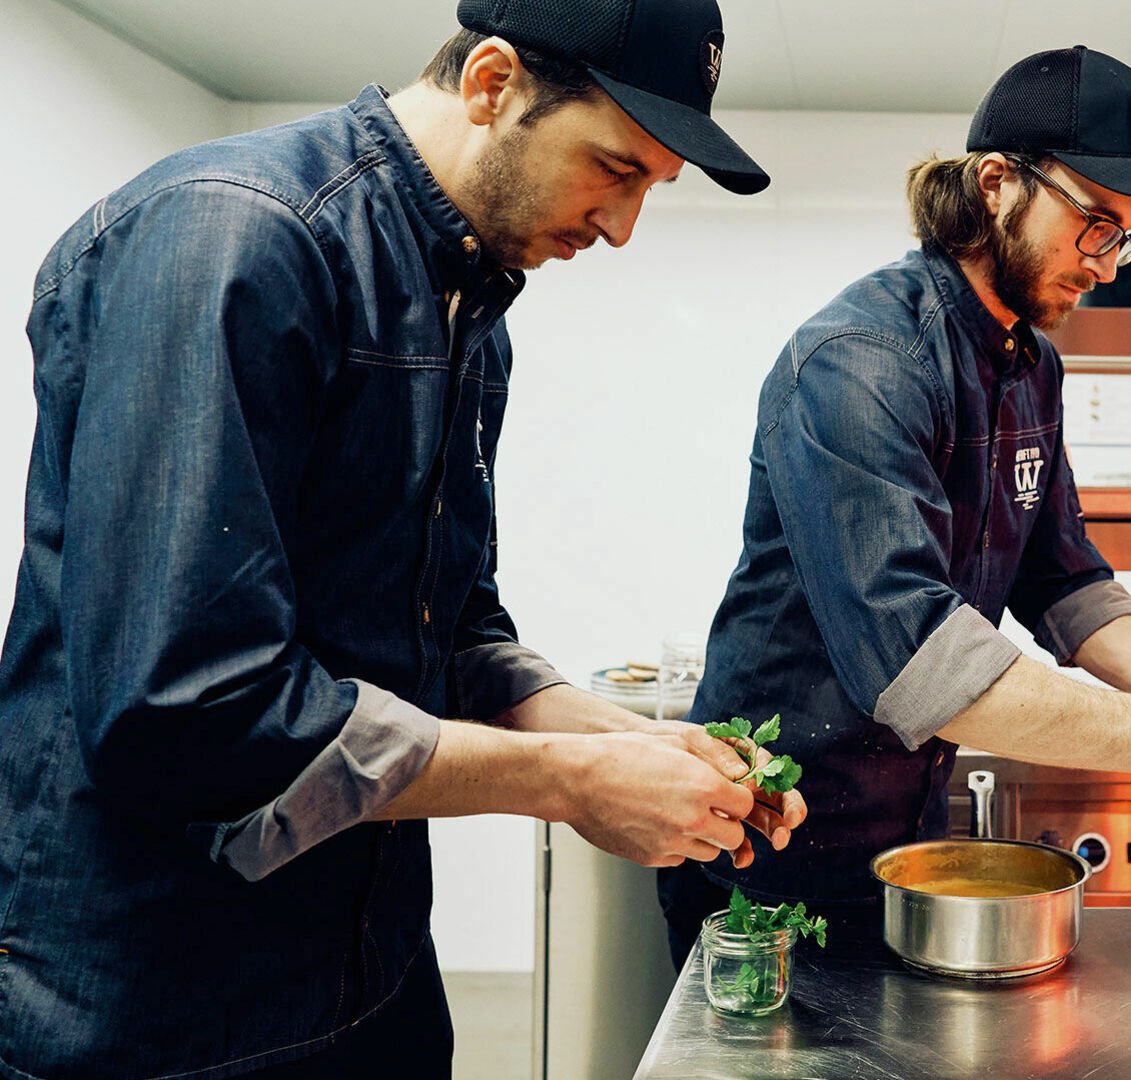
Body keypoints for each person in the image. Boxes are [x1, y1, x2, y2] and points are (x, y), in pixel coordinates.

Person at [0, 1, 803, 1075]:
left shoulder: (472, 309)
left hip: (369, 975)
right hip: (160, 1004)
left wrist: (622, 742)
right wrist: (568, 782)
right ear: (492, 83)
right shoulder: (234, 236)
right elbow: (191, 705)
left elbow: (450, 626)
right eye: (614, 168)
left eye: (651, 188)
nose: (621, 227)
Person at [658, 45, 1131, 966]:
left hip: (903, 842)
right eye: (1096, 225)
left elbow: (1066, 584)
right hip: (767, 846)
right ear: (996, 184)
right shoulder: (862, 360)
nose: (1108, 267)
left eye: (1128, 237)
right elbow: (923, 665)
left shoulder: (1030, 364)